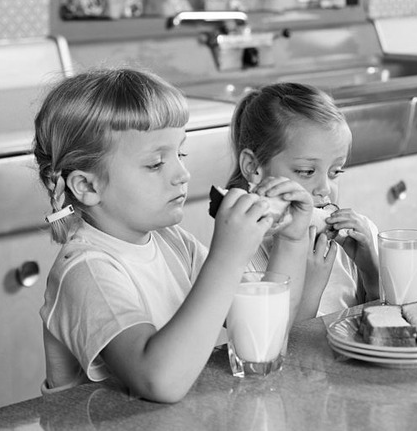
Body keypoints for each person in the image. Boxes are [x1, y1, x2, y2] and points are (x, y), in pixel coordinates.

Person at [33, 68, 313, 403]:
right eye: (155, 164)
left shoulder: (172, 241)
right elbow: (158, 382)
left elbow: (265, 334)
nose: (183, 174)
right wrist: (227, 258)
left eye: (180, 154)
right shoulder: (85, 271)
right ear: (88, 186)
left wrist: (292, 242)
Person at [226, 82, 379, 317]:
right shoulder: (239, 257)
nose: (325, 189)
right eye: (307, 172)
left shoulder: (355, 240)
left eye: (335, 172)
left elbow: (386, 327)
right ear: (253, 167)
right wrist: (309, 289)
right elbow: (276, 347)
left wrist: (371, 270)